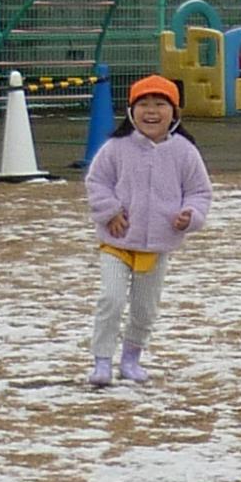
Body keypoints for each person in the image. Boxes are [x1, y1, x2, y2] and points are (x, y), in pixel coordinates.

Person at [81, 76, 213, 388]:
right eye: (143, 104)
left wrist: (190, 216)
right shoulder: (116, 148)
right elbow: (96, 182)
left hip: (156, 246)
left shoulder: (185, 152)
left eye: (160, 104)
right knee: (111, 300)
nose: (151, 112)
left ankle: (130, 359)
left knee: (144, 308)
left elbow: (200, 192)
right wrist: (110, 210)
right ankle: (102, 360)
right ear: (130, 111)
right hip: (117, 242)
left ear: (175, 112)